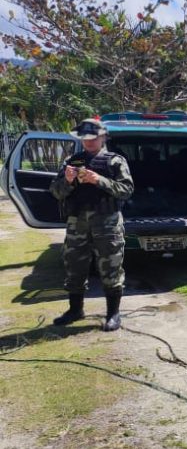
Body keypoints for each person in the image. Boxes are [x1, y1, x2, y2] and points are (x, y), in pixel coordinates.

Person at [48, 118, 134, 331]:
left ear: (103, 137)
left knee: (110, 267)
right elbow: (55, 192)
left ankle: (113, 314)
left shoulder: (115, 161)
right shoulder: (72, 161)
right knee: (74, 266)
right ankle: (75, 310)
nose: (88, 142)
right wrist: (67, 181)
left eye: (93, 138)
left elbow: (127, 189)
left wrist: (99, 181)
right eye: (85, 138)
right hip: (77, 223)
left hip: (107, 223)